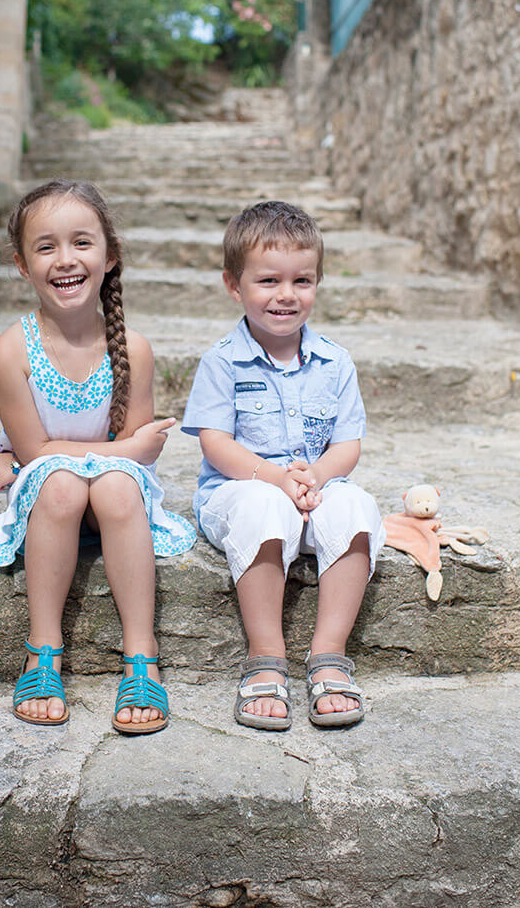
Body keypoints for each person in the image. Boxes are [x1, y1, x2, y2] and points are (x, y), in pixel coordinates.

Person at [0, 179, 196, 733]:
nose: (65, 260)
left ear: (109, 256)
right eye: (45, 247)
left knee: (116, 484)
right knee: (64, 482)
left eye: (81, 243)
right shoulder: (11, 350)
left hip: (114, 499)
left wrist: (120, 454)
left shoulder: (134, 350)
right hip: (51, 493)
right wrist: (118, 449)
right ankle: (43, 649)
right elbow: (36, 453)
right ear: (23, 265)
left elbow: (133, 462)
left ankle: (142, 653)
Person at [182, 201, 384, 731]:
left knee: (357, 505)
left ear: (318, 282)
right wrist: (276, 478)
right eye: (268, 280)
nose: (286, 294)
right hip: (242, 487)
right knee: (263, 506)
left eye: (302, 280)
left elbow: (347, 445)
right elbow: (215, 443)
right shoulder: (222, 361)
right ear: (234, 284)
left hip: (313, 488)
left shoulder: (335, 362)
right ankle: (266, 656)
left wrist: (315, 478)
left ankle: (329, 655)